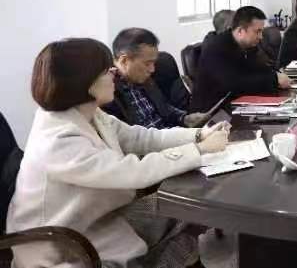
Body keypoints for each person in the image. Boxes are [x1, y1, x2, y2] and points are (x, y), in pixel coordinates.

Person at [7, 38, 230, 268]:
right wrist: (199, 150)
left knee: (188, 211)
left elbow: (142, 137)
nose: (114, 74)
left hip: (95, 218)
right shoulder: (57, 139)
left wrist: (198, 135)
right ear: (84, 82)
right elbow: (131, 172)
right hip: (62, 248)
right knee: (183, 219)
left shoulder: (89, 113)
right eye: (107, 71)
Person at [189, 6, 291, 112]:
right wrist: (274, 79)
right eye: (257, 31)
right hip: (211, 113)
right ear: (240, 31)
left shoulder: (247, 45)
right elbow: (234, 83)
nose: (261, 37)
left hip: (236, 105)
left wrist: (276, 74)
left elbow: (258, 68)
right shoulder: (217, 48)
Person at [103, 28, 209, 129]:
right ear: (124, 61)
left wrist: (185, 118)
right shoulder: (107, 93)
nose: (152, 69)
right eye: (147, 63)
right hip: (153, 140)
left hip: (171, 133)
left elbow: (164, 109)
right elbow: (129, 138)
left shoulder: (142, 78)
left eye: (153, 63)